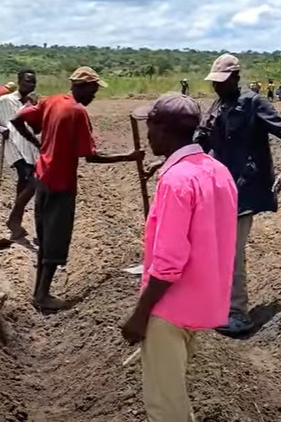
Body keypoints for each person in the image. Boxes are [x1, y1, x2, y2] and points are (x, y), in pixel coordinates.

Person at [122, 93, 236, 422]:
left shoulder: (175, 180)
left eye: (151, 126)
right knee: (174, 396)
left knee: (164, 407)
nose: (148, 134)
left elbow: (169, 262)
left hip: (169, 310)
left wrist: (141, 314)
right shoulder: (218, 171)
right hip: (203, 302)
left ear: (165, 129)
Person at [15, 67, 142, 312]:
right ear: (81, 87)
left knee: (44, 237)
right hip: (60, 183)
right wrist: (128, 156)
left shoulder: (51, 101)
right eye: (93, 90)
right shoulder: (77, 112)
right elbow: (91, 157)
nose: (93, 96)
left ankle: (39, 292)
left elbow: (18, 118)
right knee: (54, 239)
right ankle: (42, 296)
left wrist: (36, 143)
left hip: (42, 178)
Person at [195, 53, 281, 336]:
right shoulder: (220, 104)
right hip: (219, 186)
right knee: (218, 248)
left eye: (222, 81)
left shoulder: (254, 103)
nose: (216, 87)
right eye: (214, 82)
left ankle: (238, 314)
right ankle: (220, 303)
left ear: (235, 77)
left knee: (231, 251)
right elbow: (204, 137)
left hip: (244, 187)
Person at [0, 70, 39, 246]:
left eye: (33, 82)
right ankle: (14, 221)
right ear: (19, 81)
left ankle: (16, 225)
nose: (31, 85)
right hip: (13, 146)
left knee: (24, 185)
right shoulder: (7, 100)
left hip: (30, 147)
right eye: (28, 82)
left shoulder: (33, 102)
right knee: (30, 180)